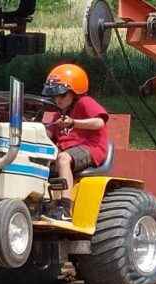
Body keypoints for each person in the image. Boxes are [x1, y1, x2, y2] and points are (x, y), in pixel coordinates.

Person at [42, 64, 109, 221]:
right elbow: (49, 134)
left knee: (63, 158)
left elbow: (99, 122)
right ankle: (42, 201)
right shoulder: (58, 113)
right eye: (55, 96)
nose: (57, 100)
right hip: (66, 150)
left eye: (62, 95)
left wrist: (74, 122)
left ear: (75, 92)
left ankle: (65, 207)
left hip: (91, 148)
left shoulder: (85, 102)